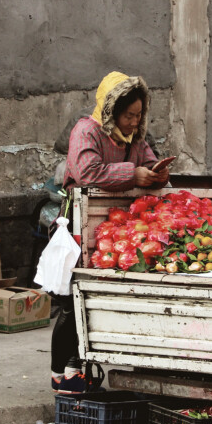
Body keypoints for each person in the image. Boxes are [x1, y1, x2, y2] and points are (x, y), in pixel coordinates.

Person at [50, 71, 170, 393]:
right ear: (112, 110)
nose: (134, 121)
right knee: (71, 302)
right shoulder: (85, 131)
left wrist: (157, 174)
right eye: (129, 115)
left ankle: (80, 369)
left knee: (93, 300)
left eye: (138, 115)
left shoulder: (136, 138)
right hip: (79, 225)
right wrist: (135, 175)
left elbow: (148, 162)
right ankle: (62, 371)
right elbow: (88, 172)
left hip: (114, 228)